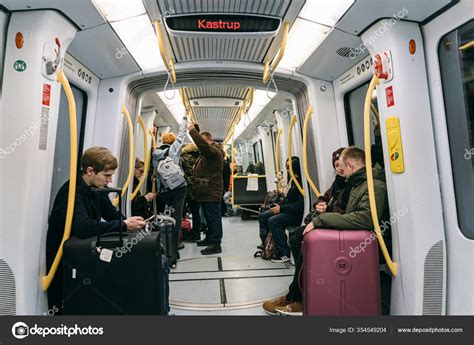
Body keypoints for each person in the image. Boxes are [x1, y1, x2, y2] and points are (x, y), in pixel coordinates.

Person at [263, 146, 389, 316]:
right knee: (304, 239)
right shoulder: (358, 183)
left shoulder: (373, 186)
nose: (341, 173)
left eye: (343, 168)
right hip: (356, 236)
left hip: (368, 243)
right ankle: (299, 295)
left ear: (351, 166)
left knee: (309, 241)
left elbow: (365, 219)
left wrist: (322, 220)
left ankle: (299, 297)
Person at [46, 147, 146, 314]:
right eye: (107, 175)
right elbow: (84, 227)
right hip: (63, 258)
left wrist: (130, 223)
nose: (110, 180)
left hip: (80, 252)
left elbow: (111, 213)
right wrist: (123, 225)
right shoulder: (72, 192)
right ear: (90, 171)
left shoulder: (96, 190)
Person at [152, 115, 188, 267]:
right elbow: (182, 134)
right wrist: (185, 119)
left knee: (163, 219)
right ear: (172, 142)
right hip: (178, 189)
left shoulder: (154, 154)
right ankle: (173, 254)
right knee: (176, 220)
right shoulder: (174, 150)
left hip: (163, 191)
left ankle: (163, 249)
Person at [258, 157, 305, 263]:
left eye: (289, 168)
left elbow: (299, 206)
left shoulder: (301, 184)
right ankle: (267, 245)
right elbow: (288, 199)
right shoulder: (293, 181)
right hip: (288, 209)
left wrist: (281, 209)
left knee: (273, 221)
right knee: (263, 215)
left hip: (296, 214)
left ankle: (284, 252)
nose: (287, 171)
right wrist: (277, 205)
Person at [187, 122, 224, 255]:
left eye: (204, 141)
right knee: (208, 217)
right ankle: (209, 238)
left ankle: (216, 244)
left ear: (210, 140)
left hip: (212, 190)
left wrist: (192, 131)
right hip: (206, 190)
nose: (201, 145)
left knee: (214, 218)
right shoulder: (207, 153)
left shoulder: (214, 151)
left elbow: (202, 146)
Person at [180, 143, 201, 242]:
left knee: (181, 211)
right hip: (198, 187)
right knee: (196, 212)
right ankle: (196, 233)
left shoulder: (183, 158)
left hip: (186, 187)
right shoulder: (200, 158)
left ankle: (182, 232)